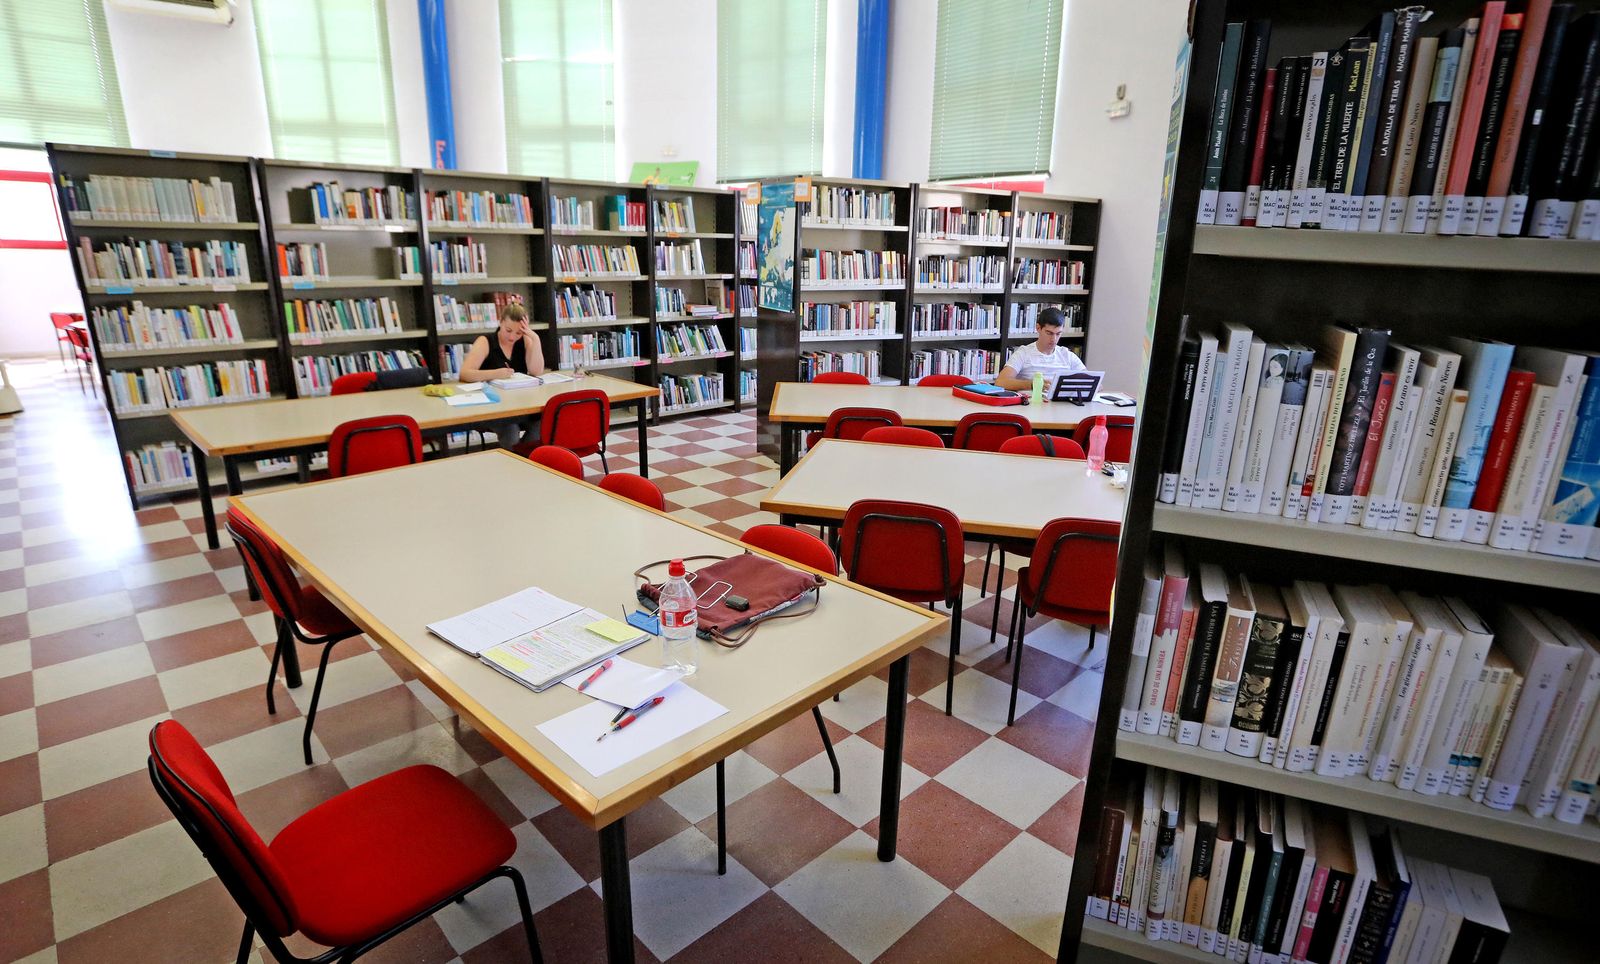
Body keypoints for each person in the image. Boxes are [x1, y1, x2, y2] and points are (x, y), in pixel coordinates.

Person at [457, 302, 547, 448]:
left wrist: (534, 339)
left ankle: (524, 459)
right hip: (495, 408)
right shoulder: (485, 341)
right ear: (501, 322)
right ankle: (517, 460)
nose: (512, 337)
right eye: (508, 330)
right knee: (511, 431)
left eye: (518, 333)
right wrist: (495, 374)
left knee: (543, 422)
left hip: (523, 404)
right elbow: (465, 374)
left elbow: (537, 371)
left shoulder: (525, 341)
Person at [994, 306, 1086, 391]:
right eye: (1049, 333)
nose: (1054, 339)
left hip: (1061, 406)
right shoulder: (1024, 353)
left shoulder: (1067, 355)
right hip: (1032, 405)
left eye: (1058, 334)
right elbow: (1001, 382)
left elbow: (1095, 384)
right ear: (1038, 328)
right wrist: (1033, 384)